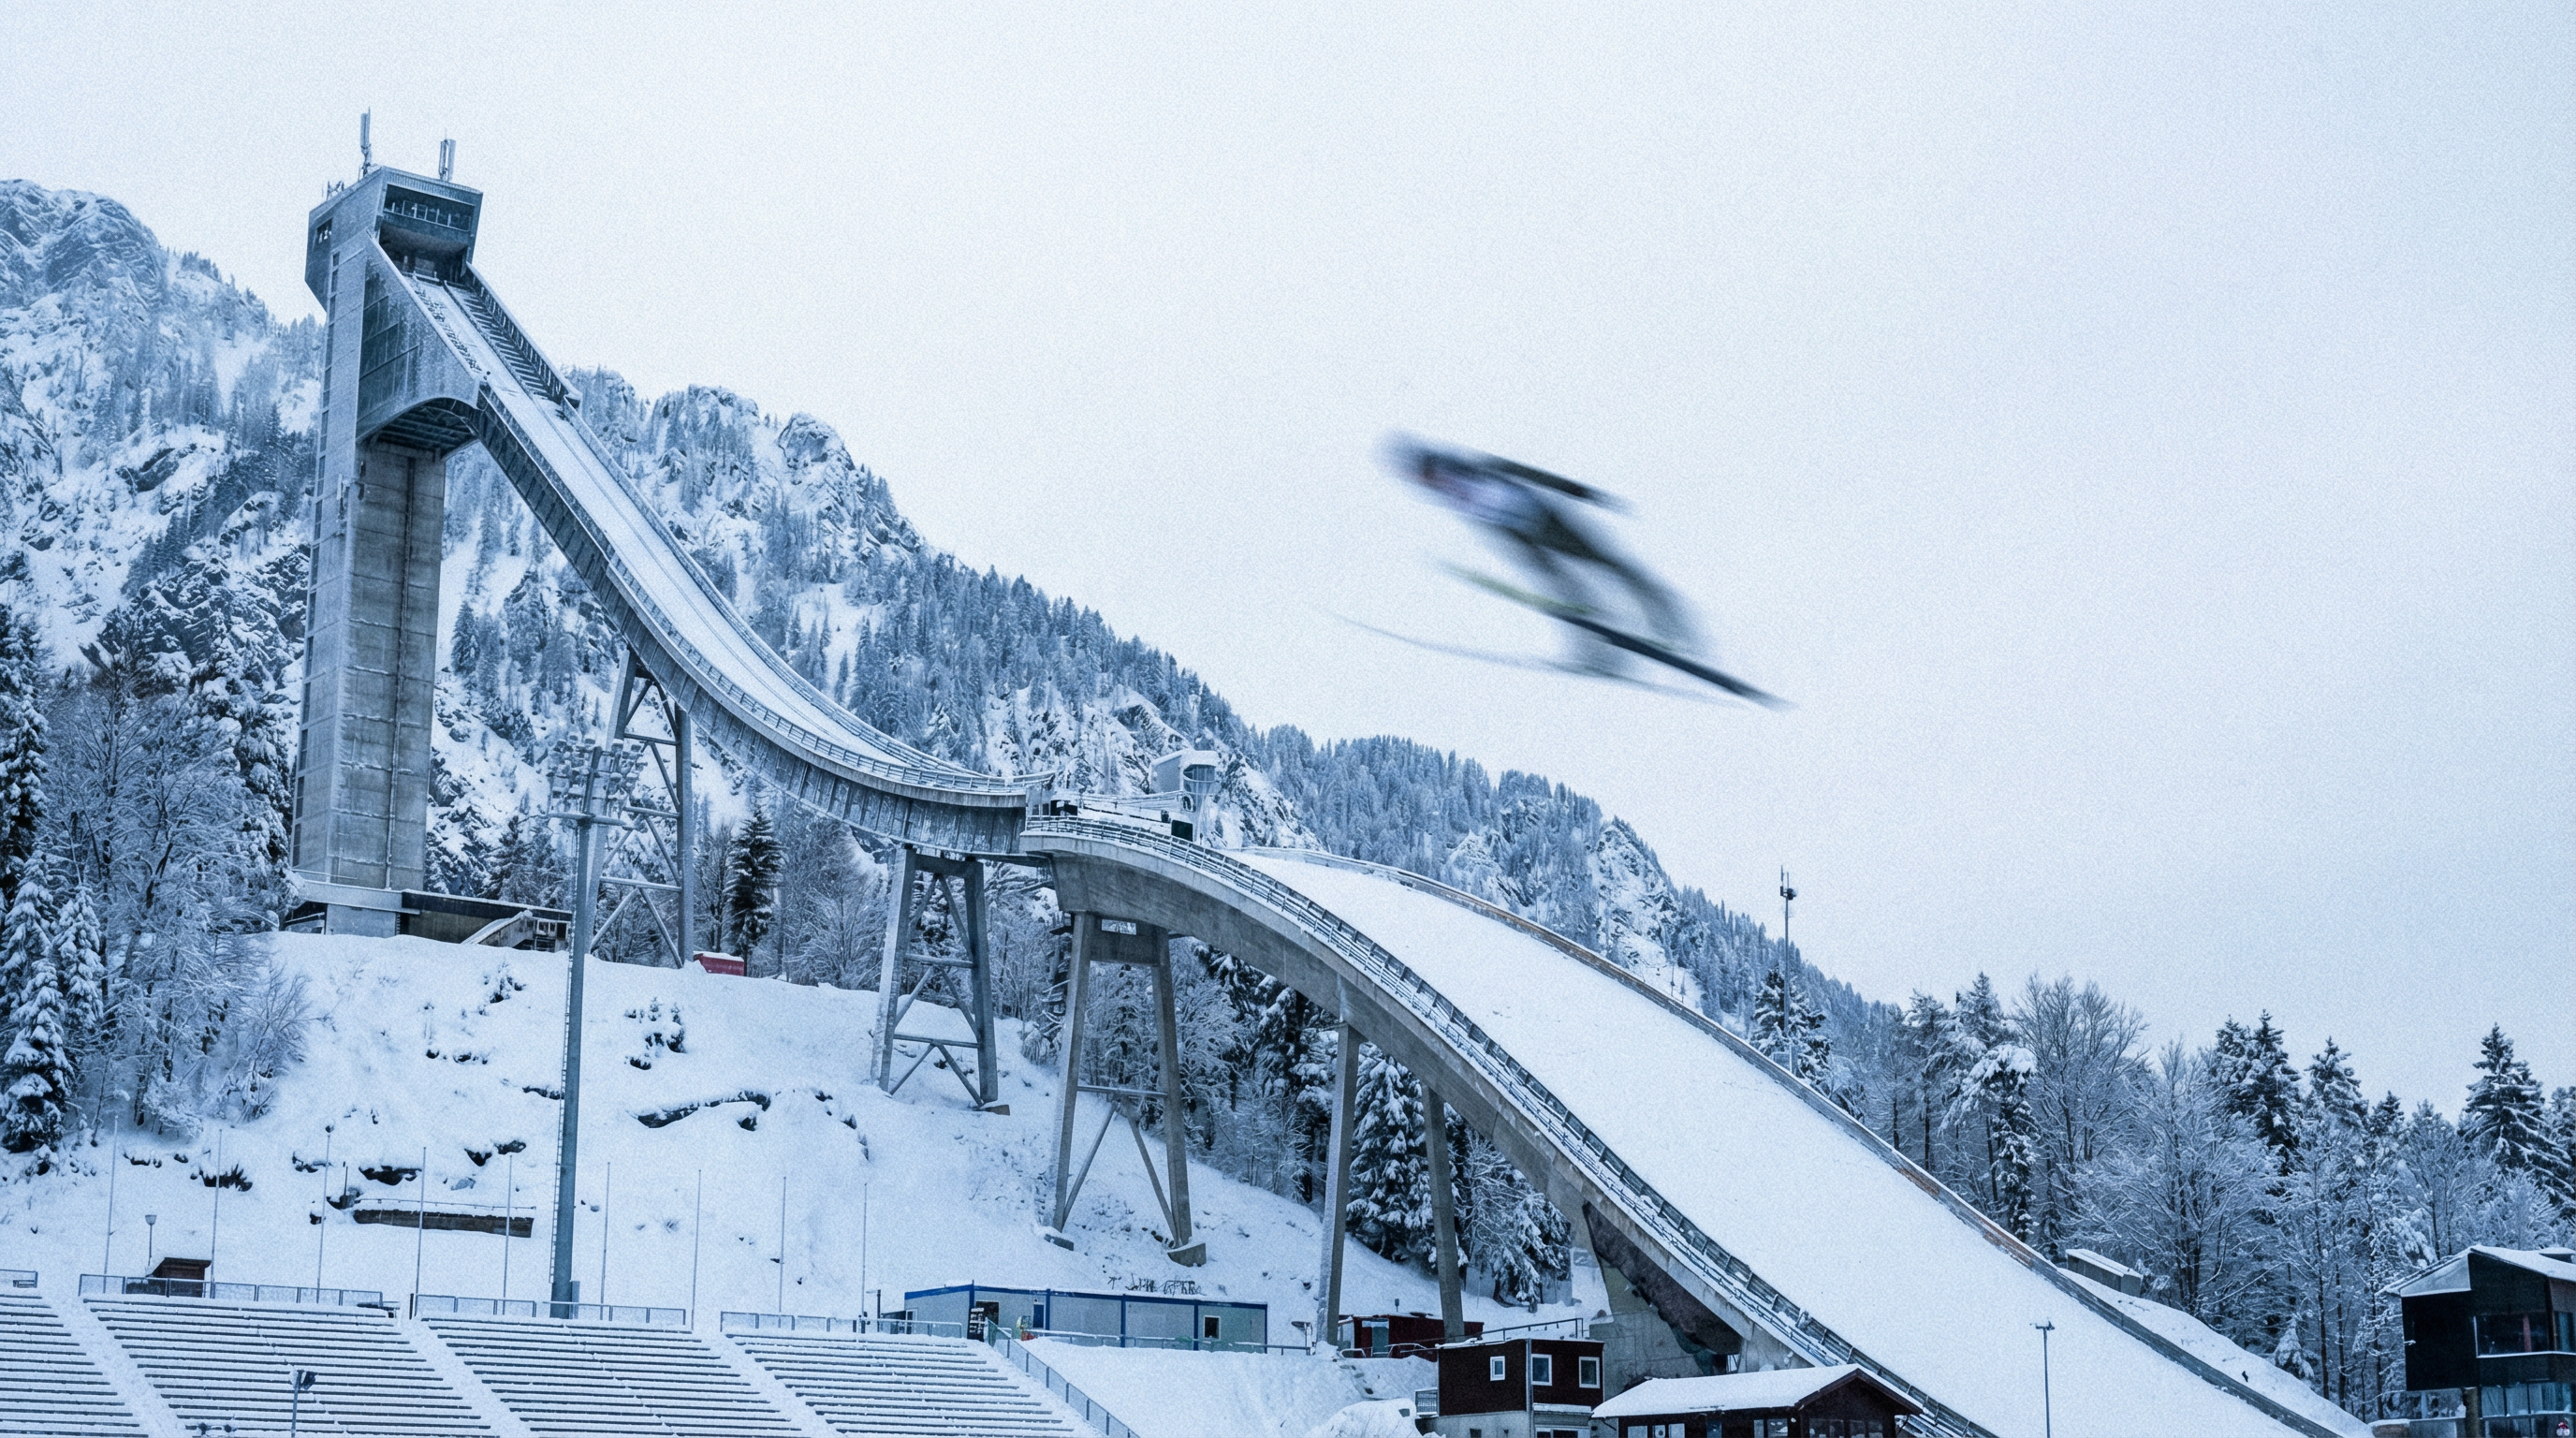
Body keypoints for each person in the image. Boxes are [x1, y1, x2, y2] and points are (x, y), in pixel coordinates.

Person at [1393, 438, 1694, 674]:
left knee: (1606, 565)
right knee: (1564, 597)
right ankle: (1598, 655)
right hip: (1526, 541)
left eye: (1423, 474)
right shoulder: (1445, 492)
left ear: (1430, 464)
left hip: (1548, 522)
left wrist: (1577, 490)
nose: (1423, 481)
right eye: (1419, 478)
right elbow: (1486, 521)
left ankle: (1668, 620)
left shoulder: (1471, 467)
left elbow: (1525, 473)